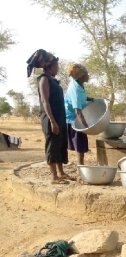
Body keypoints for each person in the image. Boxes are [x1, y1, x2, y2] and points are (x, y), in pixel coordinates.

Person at [26, 49, 70, 184]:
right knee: (52, 144)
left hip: (59, 116)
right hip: (51, 118)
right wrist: (52, 121)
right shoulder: (44, 79)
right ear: (50, 67)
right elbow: (45, 101)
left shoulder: (53, 80)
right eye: (56, 66)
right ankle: (54, 177)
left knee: (60, 143)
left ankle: (61, 173)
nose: (57, 68)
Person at [65, 63, 93, 165]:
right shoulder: (75, 88)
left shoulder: (80, 84)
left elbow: (82, 97)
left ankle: (81, 166)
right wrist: (86, 127)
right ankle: (81, 167)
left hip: (76, 117)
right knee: (80, 146)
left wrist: (90, 99)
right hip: (72, 118)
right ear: (81, 75)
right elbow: (77, 110)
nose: (88, 75)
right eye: (87, 73)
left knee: (80, 145)